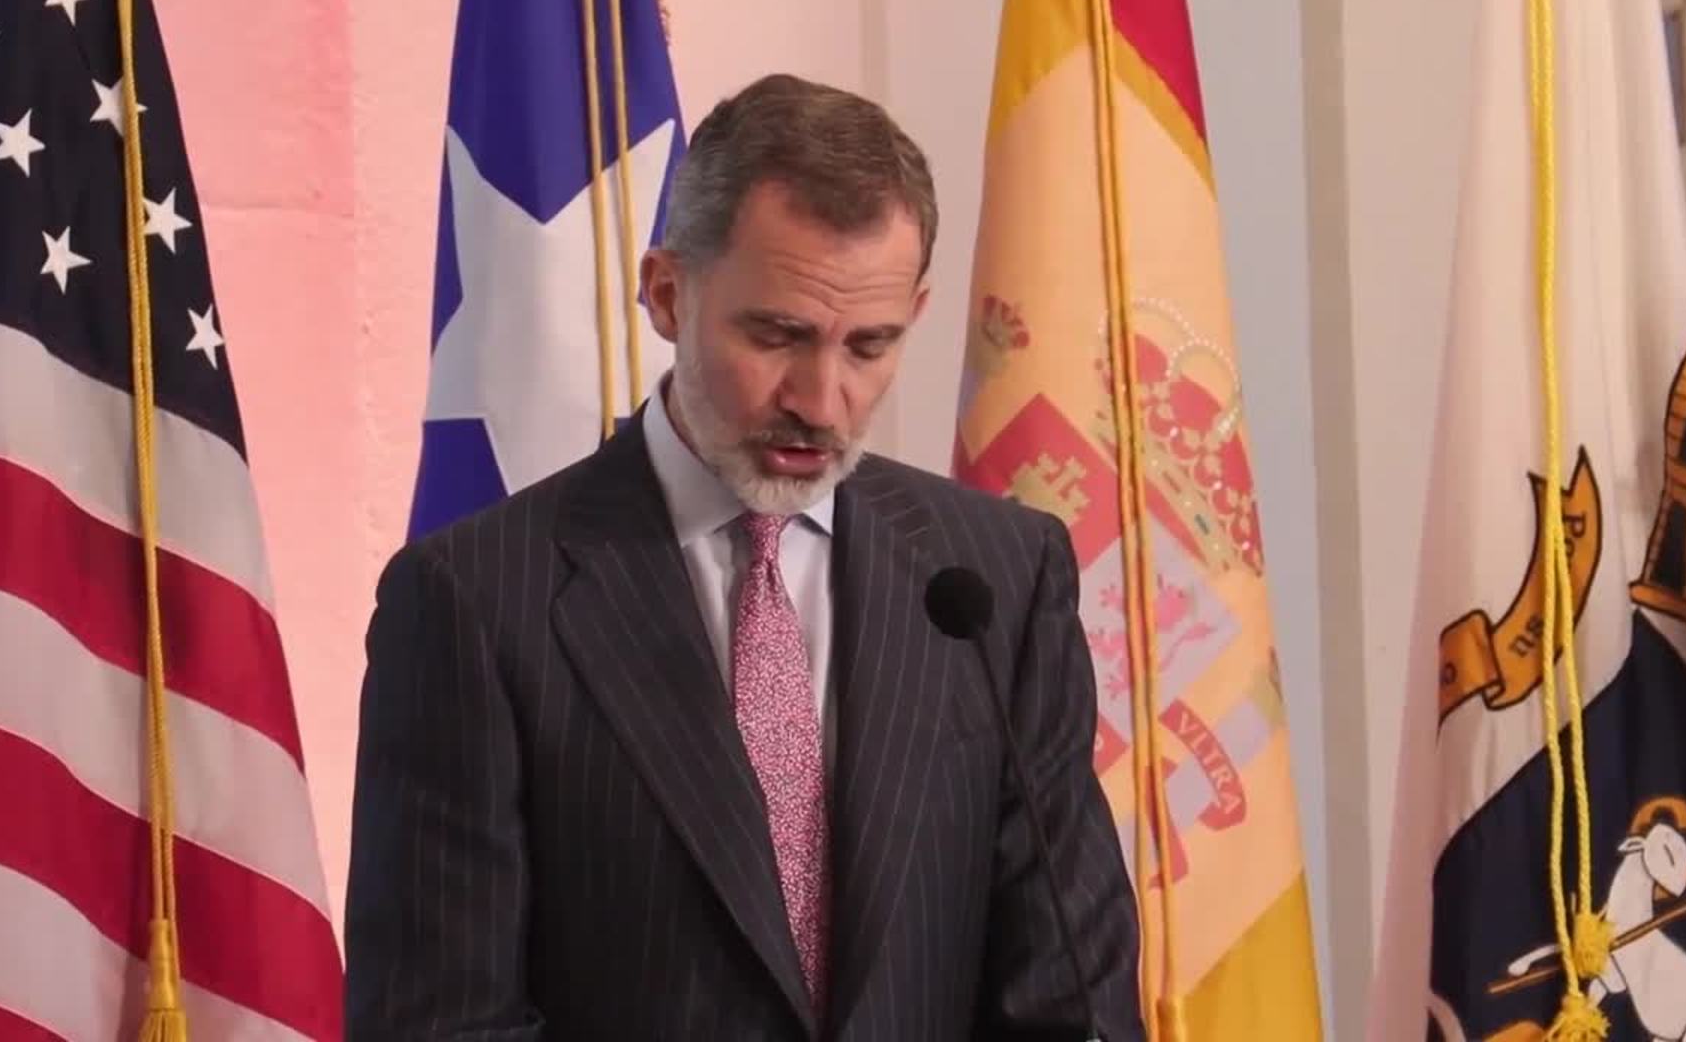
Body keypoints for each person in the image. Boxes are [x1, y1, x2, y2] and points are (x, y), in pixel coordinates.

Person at [344, 72, 1144, 1041]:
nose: (821, 398)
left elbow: (1067, 990)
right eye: (777, 335)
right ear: (668, 294)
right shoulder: (473, 602)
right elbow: (439, 1023)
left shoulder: (997, 580)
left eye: (869, 346)